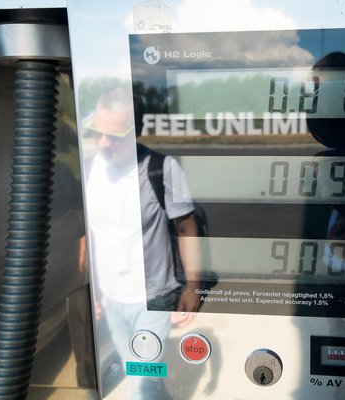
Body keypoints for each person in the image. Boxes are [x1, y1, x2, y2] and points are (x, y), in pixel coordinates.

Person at [82, 87, 200, 398]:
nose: (103, 143)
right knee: (134, 369)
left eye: (114, 135)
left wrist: (193, 285)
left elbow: (187, 227)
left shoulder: (163, 168)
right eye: (98, 132)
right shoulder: (90, 169)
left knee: (142, 382)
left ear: (136, 130)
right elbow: (91, 235)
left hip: (152, 299)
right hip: (111, 297)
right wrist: (93, 289)